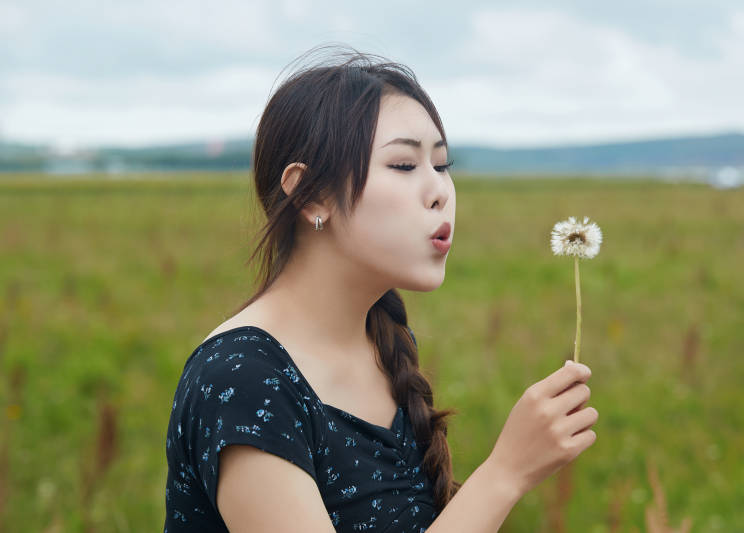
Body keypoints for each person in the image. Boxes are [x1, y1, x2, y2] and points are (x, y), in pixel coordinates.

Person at [163, 43, 597, 533]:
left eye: (443, 164)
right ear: (312, 195)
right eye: (405, 166)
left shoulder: (383, 342)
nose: (440, 192)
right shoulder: (242, 382)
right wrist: (504, 474)